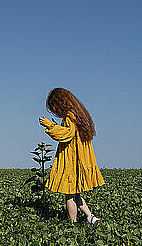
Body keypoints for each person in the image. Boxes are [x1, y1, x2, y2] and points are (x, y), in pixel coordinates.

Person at [38, 88, 105, 224]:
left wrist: (49, 125)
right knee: (76, 193)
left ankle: (73, 224)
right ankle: (91, 217)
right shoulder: (80, 115)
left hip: (72, 160)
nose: (55, 110)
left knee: (69, 196)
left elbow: (66, 134)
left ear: (60, 103)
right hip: (81, 160)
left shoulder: (69, 116)